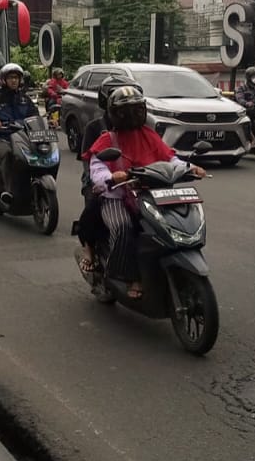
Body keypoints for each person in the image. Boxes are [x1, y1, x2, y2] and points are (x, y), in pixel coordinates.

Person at [88, 86, 206, 299]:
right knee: (123, 227)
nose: (132, 115)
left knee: (169, 226)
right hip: (118, 196)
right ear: (115, 114)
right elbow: (96, 167)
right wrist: (111, 177)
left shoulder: (149, 135)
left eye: (136, 109)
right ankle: (124, 274)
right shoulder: (108, 139)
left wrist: (190, 168)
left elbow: (170, 159)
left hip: (153, 193)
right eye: (126, 111)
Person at [76, 74, 140, 272]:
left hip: (135, 177)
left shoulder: (141, 127)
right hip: (105, 179)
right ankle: (89, 247)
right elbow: (89, 161)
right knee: (94, 202)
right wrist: (101, 181)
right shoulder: (95, 127)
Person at [0, 62, 36, 204]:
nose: (14, 80)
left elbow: (35, 117)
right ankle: (8, 190)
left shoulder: (25, 99)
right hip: (2, 138)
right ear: (4, 80)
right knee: (7, 154)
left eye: (17, 78)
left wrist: (47, 122)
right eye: (11, 77)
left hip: (24, 138)